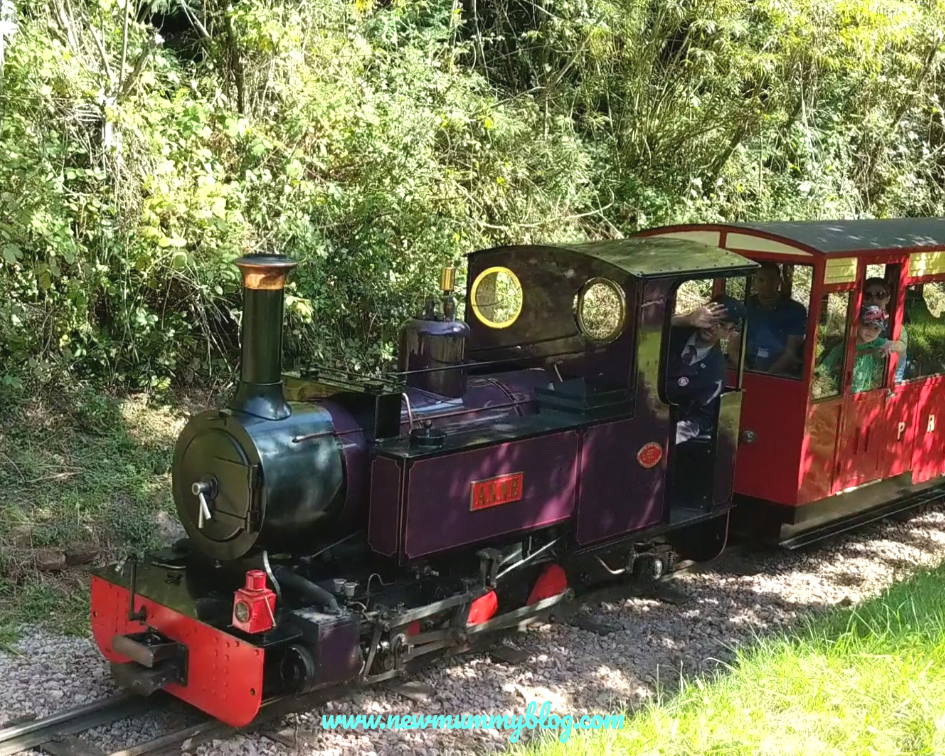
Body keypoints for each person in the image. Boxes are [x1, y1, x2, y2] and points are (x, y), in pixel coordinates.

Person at [668, 294, 745, 444]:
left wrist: (672, 434)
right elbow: (642, 326)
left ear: (729, 332)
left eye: (721, 325)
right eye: (711, 319)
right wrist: (686, 319)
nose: (712, 327)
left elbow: (704, 418)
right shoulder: (675, 330)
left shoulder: (715, 371)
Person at [735, 262, 808, 377]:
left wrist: (767, 376)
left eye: (771, 280)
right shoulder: (744, 307)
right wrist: (746, 372)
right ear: (754, 282)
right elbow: (733, 346)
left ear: (779, 281)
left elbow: (790, 352)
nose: (766, 285)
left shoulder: (795, 311)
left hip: (782, 373)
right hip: (745, 369)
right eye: (761, 280)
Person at [817, 305, 895, 394]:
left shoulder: (875, 341)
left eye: (876, 328)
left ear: (881, 331)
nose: (871, 330)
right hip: (840, 392)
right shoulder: (845, 345)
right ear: (857, 324)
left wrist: (890, 344)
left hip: (864, 393)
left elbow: (898, 345)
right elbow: (824, 368)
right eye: (866, 325)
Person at [863, 277, 908, 382]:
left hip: (884, 383)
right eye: (868, 295)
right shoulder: (857, 321)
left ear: (888, 298)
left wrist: (891, 345)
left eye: (880, 295)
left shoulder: (896, 327)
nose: (873, 300)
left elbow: (901, 351)